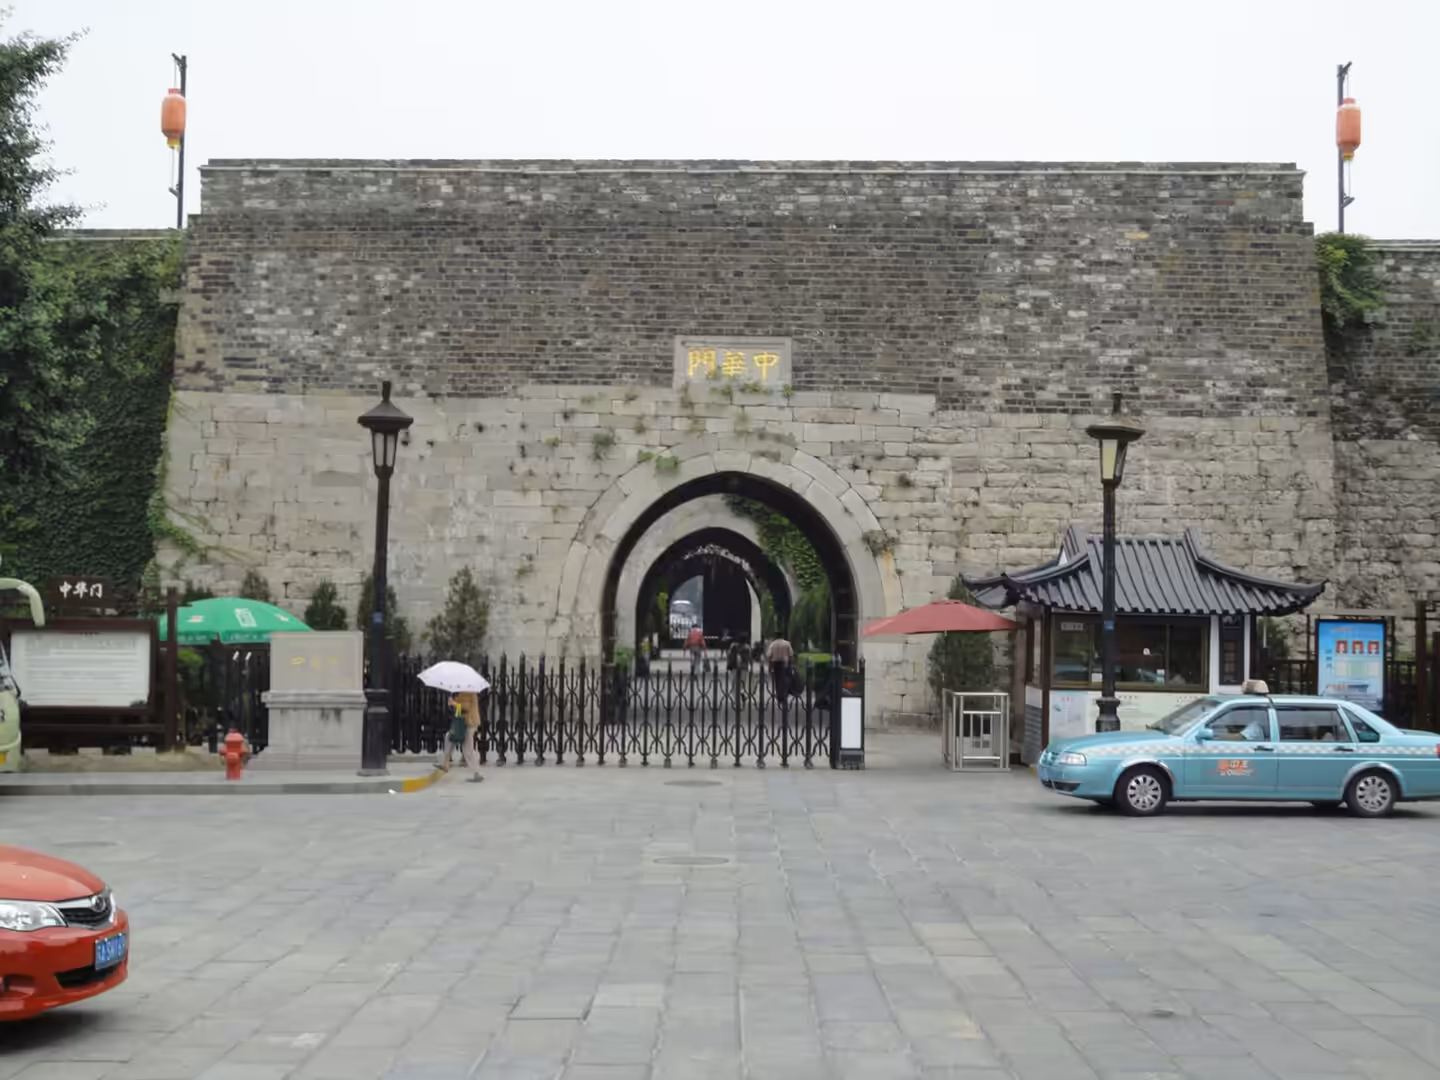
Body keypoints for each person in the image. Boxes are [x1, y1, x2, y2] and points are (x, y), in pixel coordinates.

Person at [456, 690, 484, 783]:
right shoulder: (467, 692)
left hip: (469, 722)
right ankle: (476, 771)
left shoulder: (466, 692)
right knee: (468, 748)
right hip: (471, 721)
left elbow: (465, 707)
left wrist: (454, 703)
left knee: (468, 749)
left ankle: (476, 772)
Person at [436, 695, 466, 771]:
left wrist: (454, 704)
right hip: (458, 724)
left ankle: (476, 770)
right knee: (449, 741)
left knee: (468, 750)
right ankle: (445, 764)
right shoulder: (457, 695)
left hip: (462, 725)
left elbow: (463, 709)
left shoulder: (465, 695)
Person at [766, 634, 795, 707]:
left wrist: (770, 667)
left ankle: (779, 695)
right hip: (785, 663)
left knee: (777, 680)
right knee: (785, 679)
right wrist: (791, 664)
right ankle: (784, 694)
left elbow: (769, 655)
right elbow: (791, 655)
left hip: (775, 663)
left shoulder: (773, 644)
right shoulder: (787, 643)